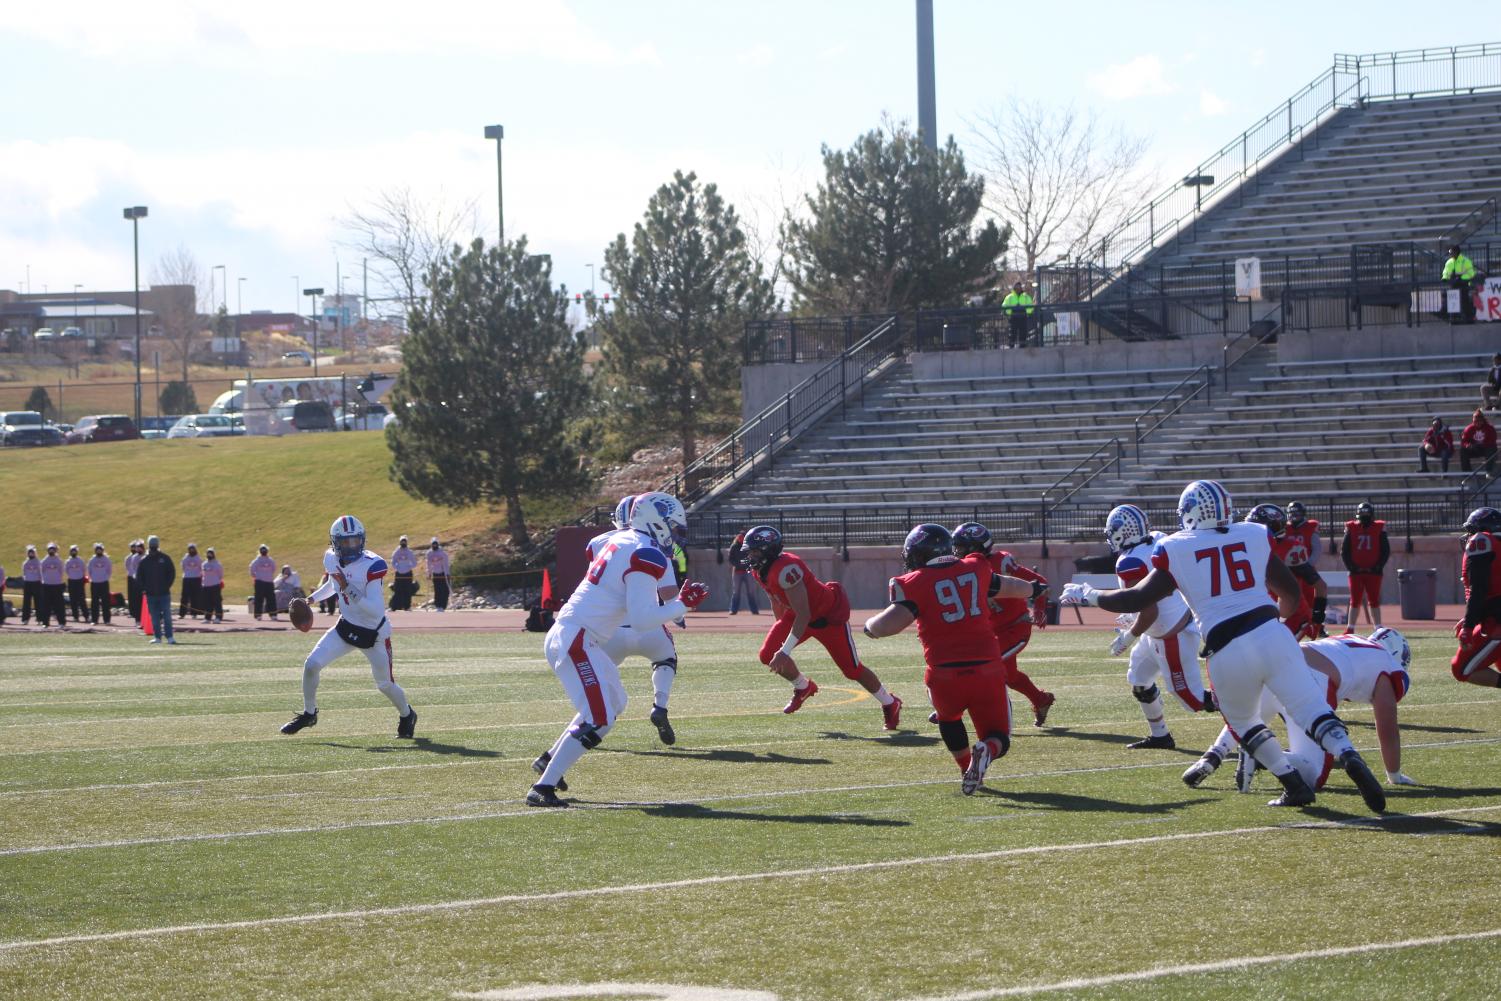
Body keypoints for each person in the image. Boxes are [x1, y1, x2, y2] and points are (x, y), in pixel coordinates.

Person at [1060, 479, 1386, 814]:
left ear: (1189, 513)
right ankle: (1350, 754)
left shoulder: (1176, 546)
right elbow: (1290, 594)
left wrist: (1089, 594)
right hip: (1270, 632)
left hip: (1226, 646)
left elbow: (1138, 597)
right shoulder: (1253, 534)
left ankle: (1293, 784)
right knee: (1310, 708)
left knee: (1244, 723)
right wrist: (1274, 630)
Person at [526, 492, 706, 807]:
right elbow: (641, 620)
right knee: (600, 716)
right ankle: (542, 788)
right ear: (657, 521)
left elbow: (637, 606)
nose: (676, 535)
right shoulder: (645, 551)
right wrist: (682, 605)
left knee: (615, 703)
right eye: (673, 526)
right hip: (577, 638)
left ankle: (549, 761)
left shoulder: (621, 540)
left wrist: (676, 606)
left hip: (581, 635)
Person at [863, 525, 1047, 794]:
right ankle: (986, 750)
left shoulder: (913, 582)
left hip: (944, 674)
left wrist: (869, 626)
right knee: (999, 736)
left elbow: (888, 625)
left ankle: (966, 768)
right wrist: (1032, 590)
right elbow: (1006, 586)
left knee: (949, 720)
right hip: (987, 669)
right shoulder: (976, 566)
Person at [732, 524, 902, 727]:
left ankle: (890, 702)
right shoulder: (759, 569)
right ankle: (803, 687)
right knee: (767, 654)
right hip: (796, 615)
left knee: (852, 670)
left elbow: (805, 614)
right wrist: (779, 629)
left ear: (767, 550)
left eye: (754, 551)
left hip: (827, 619)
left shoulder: (787, 568)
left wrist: (785, 651)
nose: (750, 555)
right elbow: (776, 599)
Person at [280, 515, 418, 740]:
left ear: (362, 540)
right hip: (346, 627)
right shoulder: (331, 558)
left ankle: (407, 714)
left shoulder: (372, 565)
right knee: (312, 665)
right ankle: (309, 713)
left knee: (384, 684)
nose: (351, 546)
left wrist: (348, 587)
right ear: (335, 543)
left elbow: (374, 610)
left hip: (374, 634)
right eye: (345, 542)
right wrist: (312, 600)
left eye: (355, 541)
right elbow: (333, 585)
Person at [1099, 505, 1216, 751]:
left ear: (1123, 532)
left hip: (1170, 635)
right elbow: (1150, 600)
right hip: (1162, 628)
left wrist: (1128, 636)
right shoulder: (1160, 539)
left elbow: (1149, 611)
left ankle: (1251, 711)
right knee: (1139, 678)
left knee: (1193, 701)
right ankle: (1160, 735)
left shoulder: (1129, 561)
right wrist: (1131, 616)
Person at [584, 496, 683, 746]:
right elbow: (668, 591)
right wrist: (680, 614)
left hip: (610, 629)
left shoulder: (599, 543)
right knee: (666, 658)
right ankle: (659, 705)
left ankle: (591, 724)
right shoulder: (654, 547)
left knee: (603, 678)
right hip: (648, 626)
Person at [951, 523, 1056, 727]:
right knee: (1010, 675)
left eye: (962, 547)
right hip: (991, 632)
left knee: (982, 666)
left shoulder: (1000, 562)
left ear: (977, 546)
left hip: (1015, 627)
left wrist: (1040, 608)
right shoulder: (963, 568)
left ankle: (955, 708)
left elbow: (1039, 583)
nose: (958, 552)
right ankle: (1041, 700)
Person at [1451, 507, 1501, 689]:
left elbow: (1479, 589)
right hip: (1494, 615)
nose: (1468, 535)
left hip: (1496, 623)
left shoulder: (1482, 541)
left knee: (1462, 669)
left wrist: (1468, 626)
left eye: (1471, 530)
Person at [1341, 502, 1390, 631]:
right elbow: (1344, 551)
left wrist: (1378, 566)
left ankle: (1378, 627)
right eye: (1363, 514)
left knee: (1373, 600)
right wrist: (1351, 567)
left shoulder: (1379, 528)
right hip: (1356, 572)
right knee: (1355, 600)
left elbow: (1385, 550)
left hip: (1373, 571)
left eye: (1366, 514)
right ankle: (1350, 627)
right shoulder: (1351, 527)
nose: (1364, 516)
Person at [1282, 501, 1328, 637]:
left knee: (1310, 600)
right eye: (1292, 513)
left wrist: (1306, 565)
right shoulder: (1285, 528)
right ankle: (1294, 628)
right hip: (1288, 572)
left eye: (1297, 513)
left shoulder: (1310, 528)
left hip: (1306, 571)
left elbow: (1317, 549)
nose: (1294, 516)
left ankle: (1316, 627)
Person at [136, 535, 177, 645]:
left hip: (164, 594)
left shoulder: (165, 558)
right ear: (148, 545)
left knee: (167, 616)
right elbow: (139, 577)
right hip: (151, 594)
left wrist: (167, 586)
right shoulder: (144, 561)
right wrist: (144, 589)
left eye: (155, 544)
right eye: (151, 545)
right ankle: (157, 637)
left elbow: (172, 573)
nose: (153, 547)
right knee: (154, 617)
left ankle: (170, 637)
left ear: (157, 545)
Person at [728, 532, 761, 615]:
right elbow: (731, 559)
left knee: (751, 592)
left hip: (748, 571)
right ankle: (733, 610)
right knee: (736, 592)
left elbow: (753, 557)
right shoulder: (734, 546)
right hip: (737, 572)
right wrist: (738, 564)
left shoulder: (749, 546)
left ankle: (754, 610)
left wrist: (748, 564)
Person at [1443, 244, 1478, 324]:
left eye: (1452, 253)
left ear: (1457, 252)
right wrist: (1445, 278)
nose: (1450, 255)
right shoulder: (1449, 262)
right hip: (1454, 285)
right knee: (1453, 303)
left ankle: (1469, 319)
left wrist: (1461, 277)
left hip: (1464, 285)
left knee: (1465, 302)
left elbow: (1471, 273)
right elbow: (1446, 272)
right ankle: (1454, 320)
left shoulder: (1466, 261)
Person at [1460, 408, 1497, 475]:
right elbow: (1464, 441)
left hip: (1486, 448)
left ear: (1482, 420)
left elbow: (1492, 441)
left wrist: (1483, 444)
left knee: (1492, 449)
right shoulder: (1468, 429)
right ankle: (1467, 472)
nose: (1477, 423)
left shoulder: (1490, 428)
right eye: (1475, 421)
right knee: (1463, 451)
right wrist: (1468, 445)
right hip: (1474, 448)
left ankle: (1489, 471)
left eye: (1479, 421)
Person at [40, 543, 67, 629]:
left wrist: (57, 580)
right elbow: (42, 571)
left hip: (57, 585)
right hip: (47, 585)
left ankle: (61, 622)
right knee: (46, 605)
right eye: (50, 549)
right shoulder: (44, 561)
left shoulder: (59, 561)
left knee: (59, 605)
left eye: (53, 549)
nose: (51, 551)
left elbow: (61, 571)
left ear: (55, 550)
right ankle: (45, 622)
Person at [85, 543, 113, 625]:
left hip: (104, 582)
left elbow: (109, 570)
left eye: (100, 549)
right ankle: (94, 619)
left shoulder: (106, 560)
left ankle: (107, 620)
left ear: (102, 550)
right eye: (97, 550)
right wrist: (93, 578)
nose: (99, 551)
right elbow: (89, 571)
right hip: (95, 583)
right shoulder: (92, 560)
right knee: (94, 602)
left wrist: (105, 577)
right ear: (95, 551)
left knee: (105, 602)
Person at [1001, 282, 1035, 348]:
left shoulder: (1025, 297)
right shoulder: (1009, 297)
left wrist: (1028, 312)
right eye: (1016, 287)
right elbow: (1004, 306)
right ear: (1014, 288)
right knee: (1012, 333)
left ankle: (1022, 346)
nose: (1018, 289)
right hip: (1013, 317)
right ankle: (1011, 346)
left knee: (1023, 333)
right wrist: (1007, 312)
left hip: (1023, 317)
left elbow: (1031, 306)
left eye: (1019, 287)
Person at [389, 535, 418, 611]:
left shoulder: (409, 552)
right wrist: (397, 567)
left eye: (404, 541)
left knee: (407, 591)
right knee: (397, 590)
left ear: (406, 542)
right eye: (402, 541)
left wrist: (409, 567)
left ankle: (407, 607)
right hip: (399, 574)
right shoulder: (397, 552)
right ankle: (394, 607)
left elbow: (414, 562)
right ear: (400, 542)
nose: (403, 543)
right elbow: (393, 561)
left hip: (408, 574)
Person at [250, 544, 277, 620]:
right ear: (259, 551)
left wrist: (267, 575)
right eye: (262, 550)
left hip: (269, 582)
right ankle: (258, 615)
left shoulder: (270, 560)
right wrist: (256, 576)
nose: (263, 551)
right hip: (259, 582)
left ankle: (273, 614)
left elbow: (274, 568)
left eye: (265, 550)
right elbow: (251, 569)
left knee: (271, 599)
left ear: (267, 551)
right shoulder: (257, 561)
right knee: (259, 599)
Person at [178, 543, 203, 619]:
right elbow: (182, 566)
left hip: (196, 578)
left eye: (193, 549)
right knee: (184, 597)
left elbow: (201, 567)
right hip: (187, 578)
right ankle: (182, 614)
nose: (191, 550)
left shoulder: (198, 558)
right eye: (190, 549)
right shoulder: (185, 558)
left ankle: (194, 613)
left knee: (195, 597)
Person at [425, 537, 450, 612]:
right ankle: (438, 605)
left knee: (445, 590)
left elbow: (446, 564)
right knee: (437, 590)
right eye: (433, 544)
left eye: (436, 544)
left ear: (438, 544)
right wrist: (429, 573)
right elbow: (428, 564)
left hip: (443, 573)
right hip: (435, 574)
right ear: (431, 545)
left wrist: (447, 573)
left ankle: (443, 605)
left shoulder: (442, 553)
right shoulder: (429, 553)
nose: (434, 545)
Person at [200, 547, 225, 622]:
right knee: (207, 602)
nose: (209, 554)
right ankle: (207, 618)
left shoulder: (217, 564)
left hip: (215, 585)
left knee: (217, 602)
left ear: (214, 554)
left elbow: (220, 575)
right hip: (206, 586)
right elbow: (203, 574)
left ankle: (218, 618)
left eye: (211, 553)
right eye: (208, 553)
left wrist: (216, 581)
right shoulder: (204, 564)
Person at [64, 545, 87, 623]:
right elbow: (66, 570)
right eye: (72, 551)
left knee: (82, 600)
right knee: (73, 600)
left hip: (79, 581)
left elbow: (84, 569)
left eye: (74, 551)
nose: (73, 552)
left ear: (76, 552)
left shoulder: (80, 561)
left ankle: (86, 616)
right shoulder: (68, 561)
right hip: (71, 581)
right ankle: (75, 616)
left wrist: (80, 576)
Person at [20, 545, 42, 625]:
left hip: (36, 583)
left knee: (38, 602)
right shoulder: (25, 563)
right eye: (29, 553)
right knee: (26, 602)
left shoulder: (38, 562)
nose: (31, 554)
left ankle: (40, 619)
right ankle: (25, 619)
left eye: (32, 552)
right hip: (28, 583)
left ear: (34, 553)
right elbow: (24, 573)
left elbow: (41, 573)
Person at [124, 539, 144, 622]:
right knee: (132, 595)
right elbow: (129, 567)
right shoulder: (129, 558)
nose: (134, 549)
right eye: (132, 547)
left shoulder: (143, 556)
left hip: (140, 578)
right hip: (132, 576)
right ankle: (132, 611)